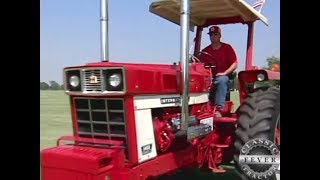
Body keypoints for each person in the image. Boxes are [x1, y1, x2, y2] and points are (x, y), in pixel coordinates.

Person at [199, 26, 238, 118]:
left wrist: (224, 73)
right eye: (211, 34)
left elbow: (234, 64)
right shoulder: (205, 51)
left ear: (220, 36)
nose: (213, 36)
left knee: (221, 80)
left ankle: (218, 108)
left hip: (223, 77)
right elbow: (200, 65)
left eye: (215, 34)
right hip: (209, 78)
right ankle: (199, 108)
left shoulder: (227, 48)